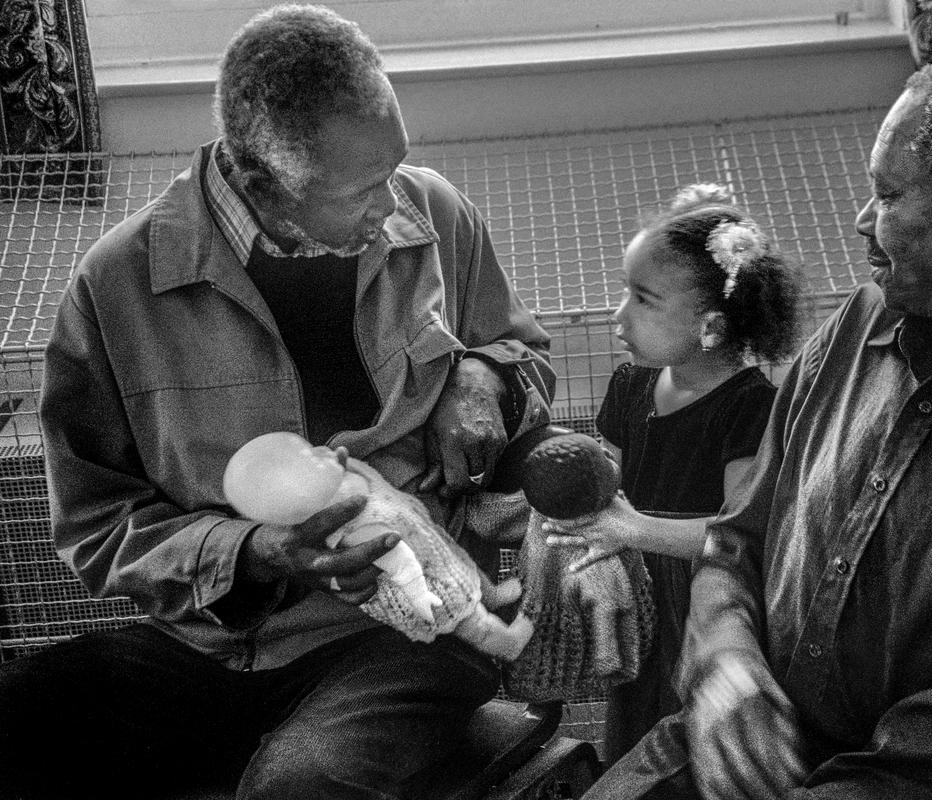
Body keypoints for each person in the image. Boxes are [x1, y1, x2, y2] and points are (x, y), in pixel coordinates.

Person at [0, 5, 554, 799]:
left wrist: (486, 376)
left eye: (396, 167)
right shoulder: (114, 284)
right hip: (207, 640)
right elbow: (96, 527)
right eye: (364, 189)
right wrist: (257, 552)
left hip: (406, 633)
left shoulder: (433, 211)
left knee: (303, 786)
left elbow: (523, 356)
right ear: (262, 180)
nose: (392, 204)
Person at [583, 51, 932, 800]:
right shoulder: (857, 320)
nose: (861, 219)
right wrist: (724, 658)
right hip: (726, 752)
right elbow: (737, 537)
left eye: (885, 194)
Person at [540, 183, 801, 764]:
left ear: (710, 326)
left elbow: (745, 535)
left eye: (643, 298)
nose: (618, 314)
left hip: (707, 608)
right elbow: (608, 486)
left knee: (688, 746)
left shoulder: (749, 409)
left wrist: (634, 531)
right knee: (633, 740)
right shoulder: (630, 385)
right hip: (638, 599)